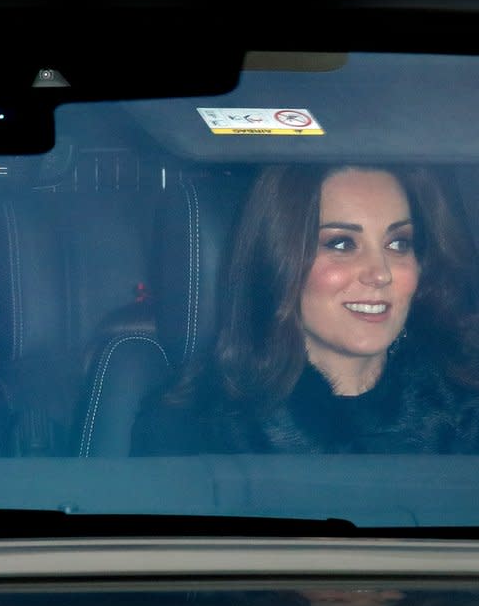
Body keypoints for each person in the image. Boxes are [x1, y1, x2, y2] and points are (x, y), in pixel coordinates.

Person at [131, 163, 479, 456]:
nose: (380, 273)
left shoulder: (466, 414)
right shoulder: (195, 429)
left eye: (398, 243)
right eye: (341, 243)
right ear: (278, 261)